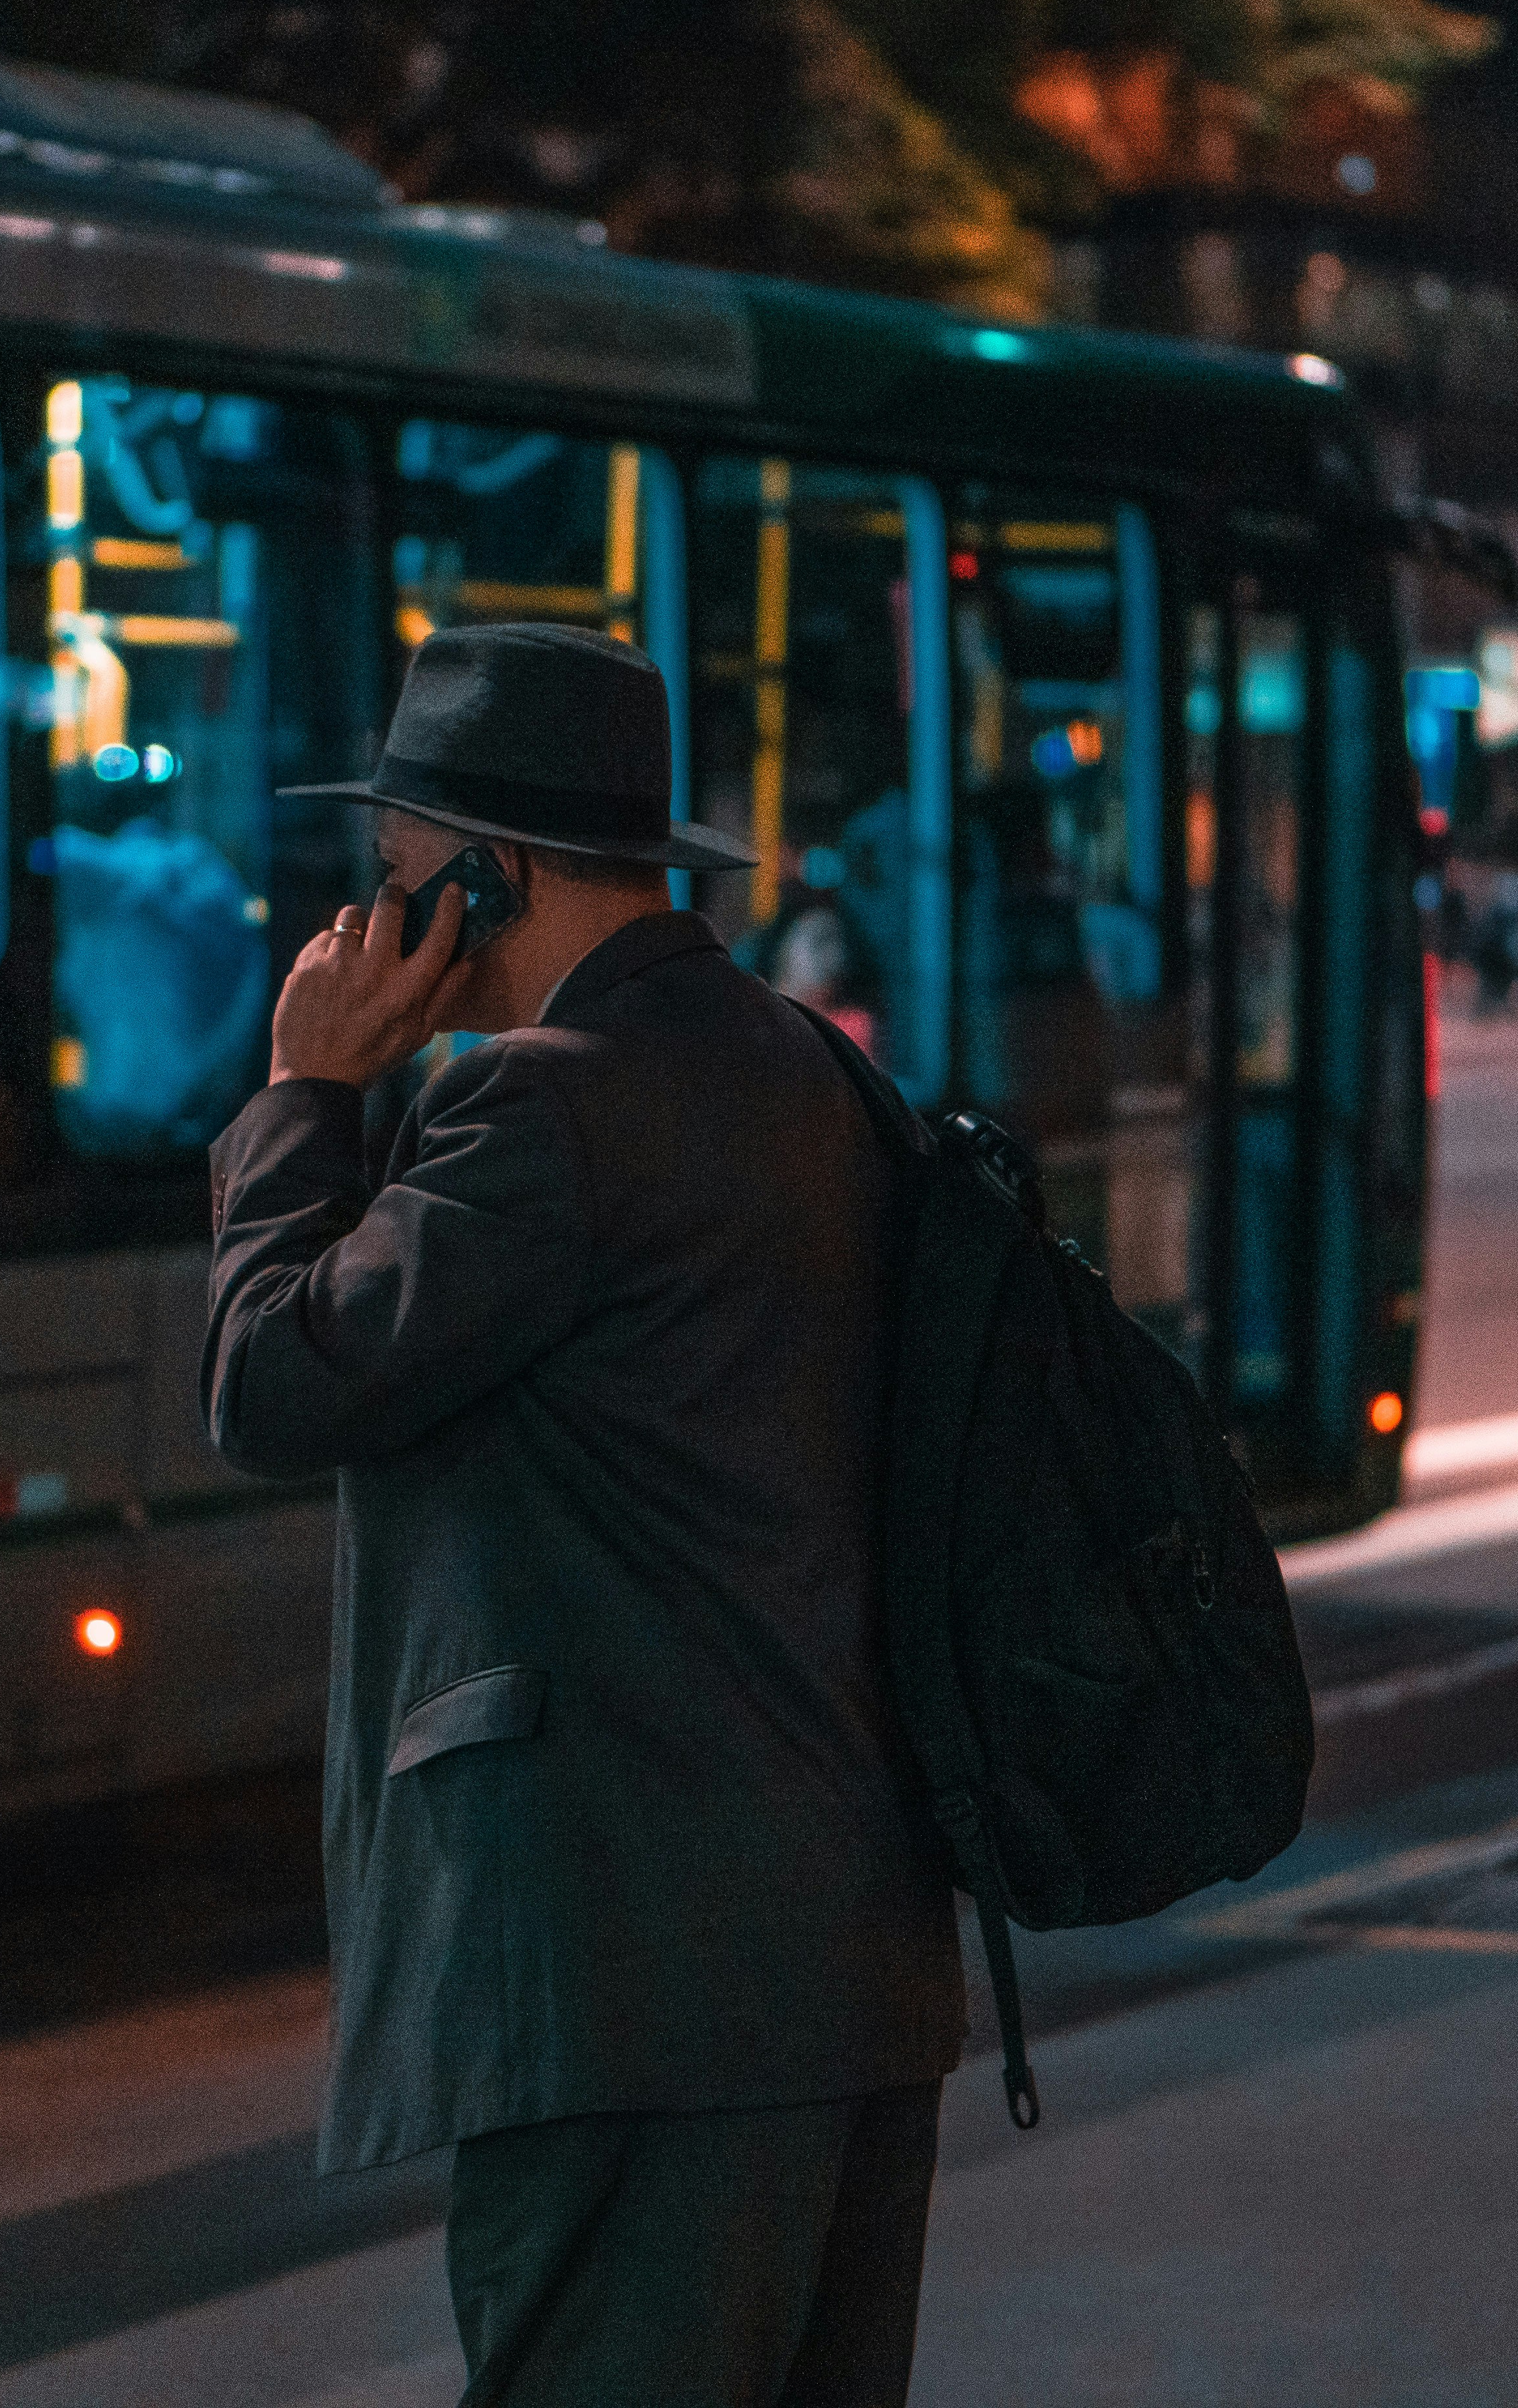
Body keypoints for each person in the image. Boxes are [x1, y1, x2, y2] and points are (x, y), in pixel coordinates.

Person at [204, 624, 966, 2406]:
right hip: (849, 1966)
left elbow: (275, 1381)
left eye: (394, 883)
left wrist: (309, 1094)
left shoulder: (548, 1113)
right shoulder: (816, 1075)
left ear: (491, 878)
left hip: (634, 1986)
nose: (361, 931)